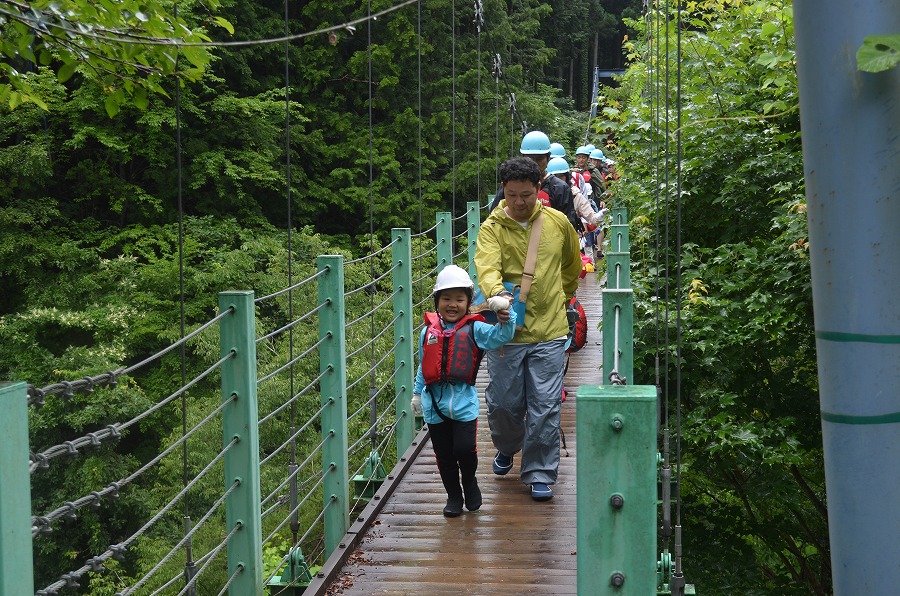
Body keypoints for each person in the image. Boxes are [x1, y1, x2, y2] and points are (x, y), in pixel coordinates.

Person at [475, 157, 583, 502]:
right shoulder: (491, 228)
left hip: (550, 329)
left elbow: (571, 264)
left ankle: (539, 472)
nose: (519, 202)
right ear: (503, 193)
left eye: (526, 194)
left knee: (546, 405)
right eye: (511, 195)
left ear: (538, 189)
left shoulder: (558, 223)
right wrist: (495, 296)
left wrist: (562, 297)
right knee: (504, 403)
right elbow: (486, 267)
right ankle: (508, 446)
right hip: (507, 331)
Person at [411, 265, 517, 517]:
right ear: (437, 301)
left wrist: (506, 313)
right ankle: (453, 495)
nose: (452, 304)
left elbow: (500, 336)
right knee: (444, 455)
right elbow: (424, 365)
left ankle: (469, 482)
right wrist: (417, 394)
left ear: (468, 303)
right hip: (434, 405)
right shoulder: (427, 332)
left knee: (463, 449)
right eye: (446, 298)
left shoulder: (475, 329)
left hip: (464, 405)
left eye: (459, 299)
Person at [489, 131, 583, 236]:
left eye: (539, 158)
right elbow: (494, 220)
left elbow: (568, 227)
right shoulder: (511, 187)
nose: (534, 163)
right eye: (529, 158)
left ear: (548, 158)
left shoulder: (560, 189)